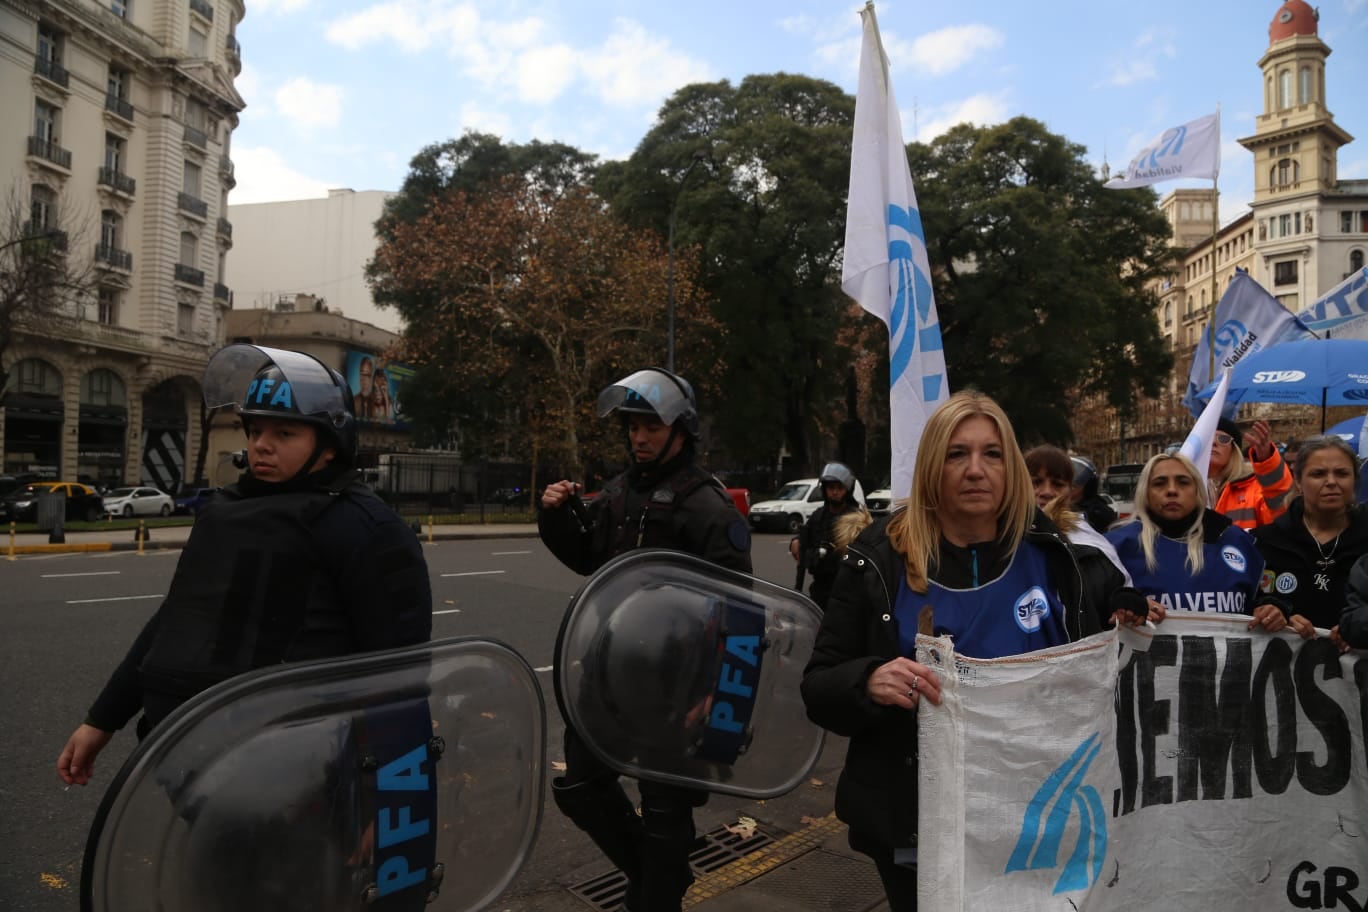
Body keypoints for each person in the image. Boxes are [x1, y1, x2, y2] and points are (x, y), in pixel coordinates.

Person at [800, 391, 1139, 911]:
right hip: (920, 825)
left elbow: (1108, 638)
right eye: (958, 454)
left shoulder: (1055, 558)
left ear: (1010, 469)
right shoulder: (878, 560)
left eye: (992, 454)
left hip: (1036, 820)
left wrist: (1136, 608)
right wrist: (868, 680)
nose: (976, 470)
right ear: (934, 465)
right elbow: (820, 687)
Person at [58, 344, 433, 787]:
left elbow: (397, 676)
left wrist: (391, 800)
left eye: (284, 434)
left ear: (330, 447)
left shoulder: (365, 526)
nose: (260, 446)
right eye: (254, 430)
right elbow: (174, 622)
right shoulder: (225, 510)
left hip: (306, 772)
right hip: (191, 755)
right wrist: (102, 720)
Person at [538, 367, 751, 912]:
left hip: (677, 688)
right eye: (632, 427)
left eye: (651, 426)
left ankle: (655, 895)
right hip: (608, 673)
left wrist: (715, 698)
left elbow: (742, 612)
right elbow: (589, 560)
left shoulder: (707, 505)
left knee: (664, 813)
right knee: (580, 787)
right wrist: (557, 518)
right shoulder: (617, 493)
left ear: (681, 429)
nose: (638, 437)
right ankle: (660, 879)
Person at [1107, 452, 1281, 629]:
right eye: (1159, 483)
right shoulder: (1117, 546)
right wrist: (1121, 605)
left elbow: (1259, 600)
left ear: (1198, 489)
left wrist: (1271, 608)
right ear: (1145, 492)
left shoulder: (1237, 541)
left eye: (1183, 482)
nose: (1172, 490)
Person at [1252, 435, 1368, 650]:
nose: (1331, 481)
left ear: (1355, 480)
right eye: (1318, 474)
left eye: (1341, 473)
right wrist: (1277, 614)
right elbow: (1243, 605)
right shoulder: (1265, 542)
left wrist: (1358, 628)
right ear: (1298, 481)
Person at [1024, 445, 1131, 584]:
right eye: (1036, 482)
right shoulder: (997, 537)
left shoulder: (1093, 545)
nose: (1047, 492)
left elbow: (1121, 588)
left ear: (1070, 492)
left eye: (1057, 484)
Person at [789, 461, 869, 608]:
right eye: (831, 487)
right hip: (820, 589)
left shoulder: (857, 518)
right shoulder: (818, 516)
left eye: (840, 488)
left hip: (847, 592)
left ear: (847, 490)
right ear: (824, 489)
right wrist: (796, 541)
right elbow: (805, 537)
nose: (835, 492)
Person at [1207, 417, 1293, 530]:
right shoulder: (1189, 489)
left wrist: (1267, 462)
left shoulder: (1255, 488)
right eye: (1208, 438)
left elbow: (1282, 511)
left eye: (1223, 438)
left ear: (1235, 450)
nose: (1213, 442)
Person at [1068, 455, 1117, 533]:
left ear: (1088, 485)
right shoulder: (1054, 506)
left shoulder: (1099, 512)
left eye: (1073, 486)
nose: (1067, 489)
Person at [353, 355, 375, 420]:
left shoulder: (376, 402)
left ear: (371, 378)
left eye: (367, 375)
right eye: (362, 374)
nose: (364, 379)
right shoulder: (354, 401)